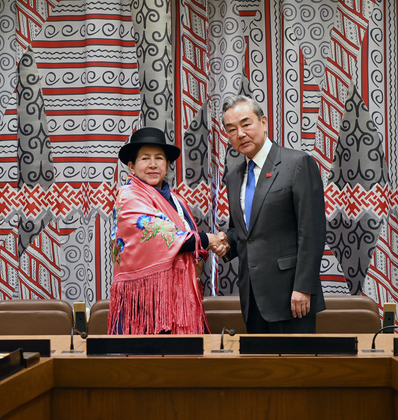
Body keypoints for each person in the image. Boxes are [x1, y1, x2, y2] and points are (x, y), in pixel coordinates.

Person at [221, 95, 326, 333]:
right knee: (259, 369)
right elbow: (243, 233)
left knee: (296, 368)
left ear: (264, 122)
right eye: (231, 130)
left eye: (246, 124)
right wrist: (222, 242)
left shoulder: (297, 163)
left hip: (292, 297)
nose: (240, 134)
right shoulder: (234, 177)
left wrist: (303, 287)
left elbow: (312, 232)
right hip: (252, 298)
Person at [108, 127, 226, 334]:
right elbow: (164, 237)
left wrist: (204, 253)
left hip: (179, 297)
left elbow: (191, 241)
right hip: (146, 302)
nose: (153, 164)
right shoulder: (129, 197)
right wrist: (210, 239)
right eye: (145, 158)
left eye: (159, 158)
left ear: (168, 164)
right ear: (131, 166)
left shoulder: (177, 200)